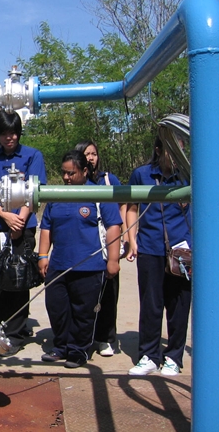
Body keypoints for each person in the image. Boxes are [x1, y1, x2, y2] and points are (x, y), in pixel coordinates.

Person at [38, 150, 122, 368]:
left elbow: (113, 227)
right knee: (57, 308)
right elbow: (46, 227)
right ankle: (61, 346)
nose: (66, 177)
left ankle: (78, 350)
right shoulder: (56, 195)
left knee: (83, 312)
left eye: (71, 173)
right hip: (59, 264)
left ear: (84, 171)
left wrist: (113, 260)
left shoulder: (99, 194)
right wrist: (43, 255)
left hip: (89, 266)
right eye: (64, 173)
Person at [0, 111, 47, 356]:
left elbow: (35, 190)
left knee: (19, 277)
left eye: (13, 133)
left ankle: (16, 333)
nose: (9, 138)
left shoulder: (32, 155)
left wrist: (19, 219)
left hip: (24, 225)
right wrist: (5, 216)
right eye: (4, 133)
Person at [126, 136, 191, 376]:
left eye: (180, 150)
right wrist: (132, 240)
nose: (175, 156)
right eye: (171, 150)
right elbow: (132, 207)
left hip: (182, 250)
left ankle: (173, 357)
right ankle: (149, 356)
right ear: (158, 150)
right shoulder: (142, 175)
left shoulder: (190, 175)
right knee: (151, 304)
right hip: (150, 247)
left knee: (179, 304)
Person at [75, 140, 127, 358]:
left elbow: (124, 203)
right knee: (84, 294)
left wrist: (123, 233)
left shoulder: (108, 179)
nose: (91, 157)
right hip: (85, 244)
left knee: (108, 292)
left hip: (107, 243)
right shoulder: (74, 182)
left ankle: (105, 338)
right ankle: (83, 337)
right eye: (86, 154)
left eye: (94, 153)